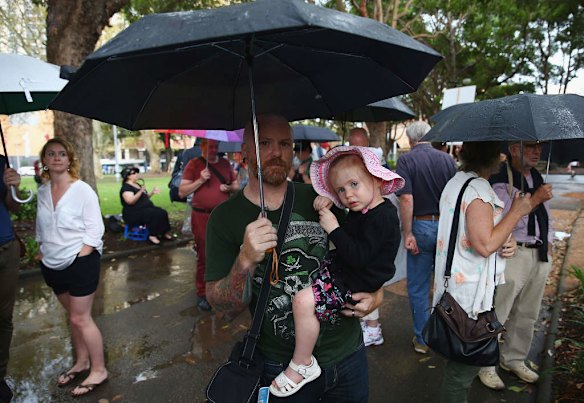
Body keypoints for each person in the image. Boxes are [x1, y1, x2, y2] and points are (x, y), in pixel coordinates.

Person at [205, 114, 384, 402]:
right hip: (281, 366)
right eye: (264, 143)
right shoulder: (225, 219)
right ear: (244, 153)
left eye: (285, 143)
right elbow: (222, 306)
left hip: (347, 356)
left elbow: (365, 254)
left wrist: (377, 294)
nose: (276, 152)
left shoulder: (322, 198)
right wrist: (245, 260)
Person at [267, 146, 403, 397]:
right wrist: (331, 201)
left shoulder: (382, 217)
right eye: (341, 189)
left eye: (354, 184)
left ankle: (302, 364)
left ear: (375, 179)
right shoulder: (364, 208)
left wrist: (334, 228)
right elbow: (352, 230)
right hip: (348, 270)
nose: (348, 195)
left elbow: (359, 256)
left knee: (303, 301)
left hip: (356, 279)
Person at [433, 141, 549, 403]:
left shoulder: (457, 181)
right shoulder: (478, 190)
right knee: (461, 373)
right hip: (468, 297)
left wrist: (504, 240)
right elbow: (484, 244)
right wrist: (518, 211)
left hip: (454, 287)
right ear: (497, 158)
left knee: (458, 365)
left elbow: (474, 234)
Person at [35, 138, 108, 398]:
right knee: (74, 318)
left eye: (62, 154)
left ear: (69, 159)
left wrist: (81, 255)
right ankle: (82, 362)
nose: (56, 158)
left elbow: (95, 229)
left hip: (80, 263)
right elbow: (41, 226)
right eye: (51, 154)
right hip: (51, 264)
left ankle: (99, 369)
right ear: (44, 160)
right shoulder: (43, 191)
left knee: (80, 317)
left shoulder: (82, 190)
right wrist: (41, 247)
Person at [479, 141, 554, 390]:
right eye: (531, 147)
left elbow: (546, 215)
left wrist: (550, 241)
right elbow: (503, 217)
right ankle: (486, 365)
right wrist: (536, 198)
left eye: (539, 148)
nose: (536, 152)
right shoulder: (499, 177)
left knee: (528, 313)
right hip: (512, 254)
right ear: (514, 149)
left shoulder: (537, 176)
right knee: (499, 311)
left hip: (539, 252)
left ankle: (514, 358)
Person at [395, 121, 457, 354]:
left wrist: (407, 232)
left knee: (419, 287)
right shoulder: (447, 160)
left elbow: (406, 198)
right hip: (445, 226)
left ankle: (422, 339)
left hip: (420, 226)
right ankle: (447, 334)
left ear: (410, 140)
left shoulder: (407, 160)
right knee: (445, 283)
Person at [179, 139, 239, 311]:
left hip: (222, 217)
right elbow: (182, 191)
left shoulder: (225, 163)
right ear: (203, 147)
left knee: (225, 253)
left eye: (215, 146)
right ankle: (201, 293)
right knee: (204, 255)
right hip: (202, 216)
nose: (213, 149)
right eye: (210, 146)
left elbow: (235, 185)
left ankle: (221, 289)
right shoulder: (194, 164)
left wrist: (228, 189)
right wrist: (200, 180)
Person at [0, 156, 21, 403]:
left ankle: (0, 375)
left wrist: (12, 186)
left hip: (6, 247)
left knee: (4, 318)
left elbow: (13, 207)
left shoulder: (1, 161)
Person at [120, 166, 172, 245]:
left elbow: (143, 198)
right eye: (133, 173)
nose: (136, 174)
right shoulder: (126, 188)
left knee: (162, 212)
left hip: (145, 209)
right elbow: (130, 201)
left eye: (136, 172)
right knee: (154, 214)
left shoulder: (137, 185)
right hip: (133, 213)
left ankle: (164, 232)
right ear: (128, 176)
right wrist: (140, 191)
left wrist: (152, 193)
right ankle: (152, 235)